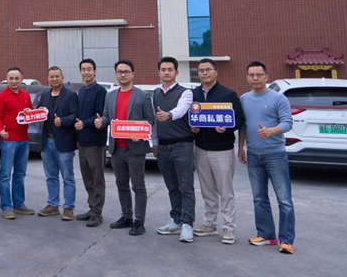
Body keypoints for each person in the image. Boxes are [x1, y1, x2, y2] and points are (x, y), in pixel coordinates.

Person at [239, 61, 295, 254]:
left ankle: (286, 240)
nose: (255, 78)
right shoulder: (244, 99)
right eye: (251, 75)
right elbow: (243, 125)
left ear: (266, 77)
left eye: (259, 75)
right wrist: (240, 147)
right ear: (247, 77)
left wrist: (272, 130)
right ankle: (266, 235)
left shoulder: (278, 98)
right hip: (253, 155)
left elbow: (288, 122)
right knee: (259, 198)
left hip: (275, 155)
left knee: (284, 199)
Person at [190, 58, 246, 245]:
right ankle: (209, 224)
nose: (204, 73)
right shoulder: (193, 94)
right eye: (201, 70)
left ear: (216, 72)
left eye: (208, 69)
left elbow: (239, 119)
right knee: (207, 190)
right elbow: (189, 118)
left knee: (225, 190)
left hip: (222, 149)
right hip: (200, 148)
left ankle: (229, 228)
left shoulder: (228, 94)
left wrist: (227, 127)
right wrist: (192, 128)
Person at [96, 59, 154, 236]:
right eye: (119, 72)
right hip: (116, 148)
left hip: (135, 148)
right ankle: (127, 216)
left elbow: (150, 120)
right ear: (116, 74)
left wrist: (141, 133)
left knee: (138, 186)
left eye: (126, 71)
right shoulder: (110, 95)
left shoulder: (142, 96)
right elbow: (107, 117)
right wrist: (101, 122)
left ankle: (139, 221)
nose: (123, 75)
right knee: (121, 184)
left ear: (132, 74)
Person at [153, 56, 196, 243]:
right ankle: (176, 219)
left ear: (176, 72)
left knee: (185, 186)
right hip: (163, 147)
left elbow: (182, 109)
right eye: (163, 69)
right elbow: (155, 120)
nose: (166, 72)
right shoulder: (156, 93)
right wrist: (155, 142)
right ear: (159, 72)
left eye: (170, 69)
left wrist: (169, 115)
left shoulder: (186, 92)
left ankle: (187, 224)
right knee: (172, 187)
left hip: (182, 145)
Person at [36, 66, 78, 221]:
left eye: (57, 76)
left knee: (68, 177)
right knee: (51, 176)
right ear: (48, 78)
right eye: (51, 76)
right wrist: (30, 113)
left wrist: (63, 121)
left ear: (62, 77)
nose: (54, 79)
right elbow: (38, 113)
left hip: (64, 142)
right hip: (46, 142)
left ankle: (68, 208)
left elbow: (75, 115)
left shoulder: (71, 95)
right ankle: (53, 205)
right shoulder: (44, 95)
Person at [0, 67, 35, 220]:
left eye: (16, 78)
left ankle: (18, 204)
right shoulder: (1, 96)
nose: (14, 81)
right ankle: (6, 206)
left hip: (24, 140)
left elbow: (31, 113)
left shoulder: (25, 95)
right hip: (9, 140)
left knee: (20, 174)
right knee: (5, 175)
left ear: (21, 79)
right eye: (11, 78)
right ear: (6, 79)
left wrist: (29, 112)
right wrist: (0, 131)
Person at [74, 58, 108, 227]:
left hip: (95, 142)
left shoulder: (100, 91)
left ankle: (97, 213)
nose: (86, 72)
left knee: (97, 178)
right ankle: (91, 208)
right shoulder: (81, 91)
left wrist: (85, 124)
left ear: (95, 71)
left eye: (89, 69)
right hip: (83, 142)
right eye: (83, 69)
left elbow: (100, 114)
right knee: (87, 178)